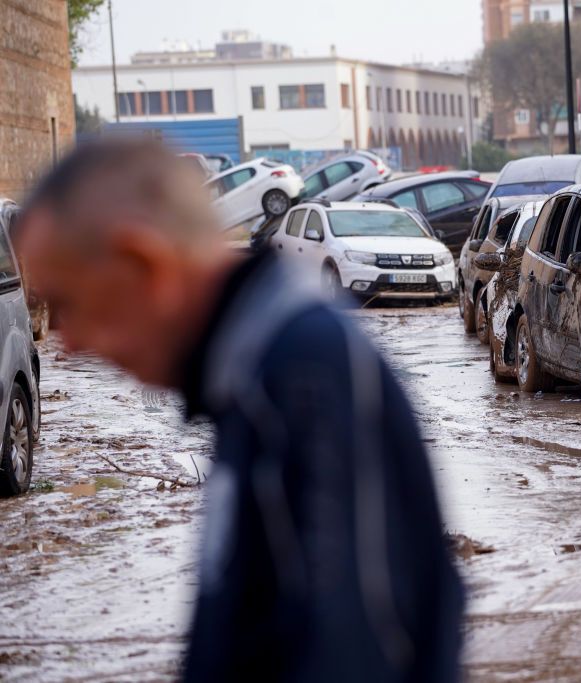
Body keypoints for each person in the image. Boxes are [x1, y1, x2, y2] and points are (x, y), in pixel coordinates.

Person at [16, 140, 464, 681]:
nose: (66, 343)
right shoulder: (251, 374)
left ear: (142, 264)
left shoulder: (302, 377)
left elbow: (353, 648)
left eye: (66, 304)